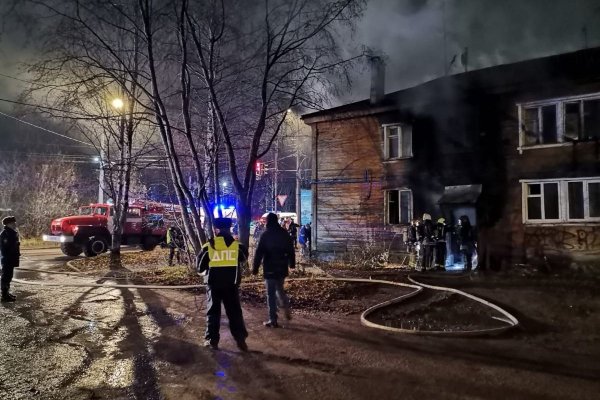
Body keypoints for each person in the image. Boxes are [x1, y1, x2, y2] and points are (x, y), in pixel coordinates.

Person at [196, 218, 248, 351]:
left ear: (216, 229)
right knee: (235, 313)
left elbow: (199, 268)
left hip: (213, 286)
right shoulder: (238, 246)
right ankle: (240, 340)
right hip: (231, 285)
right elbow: (243, 259)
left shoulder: (208, 246)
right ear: (230, 228)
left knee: (213, 313)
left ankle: (212, 341)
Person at [253, 212, 295, 328]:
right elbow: (290, 249)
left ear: (267, 221)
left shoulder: (265, 235)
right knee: (280, 289)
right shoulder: (283, 233)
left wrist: (255, 268)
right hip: (281, 267)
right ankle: (286, 306)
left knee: (271, 294)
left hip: (269, 268)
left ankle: (273, 319)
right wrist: (292, 263)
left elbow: (259, 252)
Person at [0, 216, 20, 302]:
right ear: (8, 224)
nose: (14, 224)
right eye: (12, 223)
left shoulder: (11, 232)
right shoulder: (5, 234)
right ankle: (4, 295)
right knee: (6, 277)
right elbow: (4, 248)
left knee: (9, 276)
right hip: (7, 259)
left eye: (14, 223)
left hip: (11, 259)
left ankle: (6, 293)